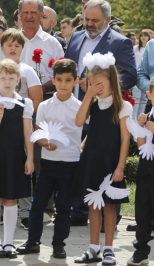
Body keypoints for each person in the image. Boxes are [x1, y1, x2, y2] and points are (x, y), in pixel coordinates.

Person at [16, 59, 82, 259]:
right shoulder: (44, 105)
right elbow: (38, 131)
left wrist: (83, 146)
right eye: (59, 80)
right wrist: (45, 143)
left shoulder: (80, 106)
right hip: (48, 163)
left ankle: (59, 244)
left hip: (70, 163)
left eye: (68, 80)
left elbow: (93, 129)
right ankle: (33, 241)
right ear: (53, 80)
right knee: (38, 204)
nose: (63, 84)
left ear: (76, 82)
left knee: (64, 207)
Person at [73, 52, 131, 265]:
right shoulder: (93, 104)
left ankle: (109, 249)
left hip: (110, 162)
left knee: (109, 206)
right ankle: (93, 248)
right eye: (92, 83)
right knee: (93, 206)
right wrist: (88, 95)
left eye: (100, 83)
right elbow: (79, 122)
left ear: (111, 81)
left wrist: (120, 167)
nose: (97, 87)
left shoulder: (122, 106)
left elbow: (125, 139)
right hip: (92, 161)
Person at [0, 59, 34, 258]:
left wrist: (30, 158)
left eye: (11, 78)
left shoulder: (25, 103)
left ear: (18, 80)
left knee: (11, 200)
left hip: (16, 156)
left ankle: (9, 243)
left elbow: (28, 132)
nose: (7, 82)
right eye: (3, 78)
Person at [127, 81, 154, 265]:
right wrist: (140, 130)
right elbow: (142, 147)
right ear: (149, 95)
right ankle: (141, 251)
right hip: (146, 172)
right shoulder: (148, 114)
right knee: (143, 212)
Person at [0, 29, 43, 112]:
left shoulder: (28, 71)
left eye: (17, 46)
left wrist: (22, 116)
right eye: (9, 45)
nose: (13, 48)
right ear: (2, 48)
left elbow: (37, 100)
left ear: (22, 48)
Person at [132, 30, 151, 121]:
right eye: (141, 36)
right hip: (137, 77)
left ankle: (141, 122)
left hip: (147, 78)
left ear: (148, 37)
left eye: (145, 35)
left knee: (144, 101)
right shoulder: (135, 48)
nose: (143, 37)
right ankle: (133, 121)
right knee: (136, 99)